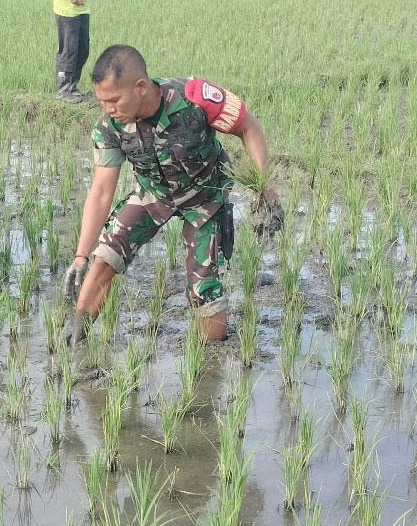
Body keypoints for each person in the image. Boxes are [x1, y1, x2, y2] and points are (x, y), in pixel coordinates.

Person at [65, 45, 278, 343]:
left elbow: (248, 126)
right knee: (105, 256)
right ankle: (75, 341)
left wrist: (262, 184)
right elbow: (101, 192)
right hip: (155, 193)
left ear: (140, 87)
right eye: (102, 101)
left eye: (114, 99)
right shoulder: (108, 126)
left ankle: (210, 357)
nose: (108, 108)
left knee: (203, 287)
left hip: (206, 194)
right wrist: (80, 256)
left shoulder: (195, 97)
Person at [45, 0, 112, 104]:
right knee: (69, 51)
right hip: (66, 9)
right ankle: (63, 90)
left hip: (83, 7)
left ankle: (72, 87)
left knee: (82, 50)